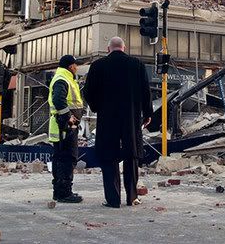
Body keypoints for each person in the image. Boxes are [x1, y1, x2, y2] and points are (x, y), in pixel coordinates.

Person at [84, 37, 153, 208]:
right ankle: (132, 197)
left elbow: (88, 92)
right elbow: (146, 91)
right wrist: (147, 113)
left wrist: (97, 107)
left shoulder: (98, 66)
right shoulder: (137, 65)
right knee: (131, 156)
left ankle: (113, 199)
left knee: (109, 157)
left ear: (108, 49)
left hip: (107, 119)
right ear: (124, 48)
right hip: (131, 118)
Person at [48, 54, 84, 203]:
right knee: (67, 158)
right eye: (76, 65)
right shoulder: (63, 79)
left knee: (61, 157)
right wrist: (68, 117)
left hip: (64, 125)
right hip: (65, 126)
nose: (77, 67)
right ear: (71, 66)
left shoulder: (64, 78)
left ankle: (60, 191)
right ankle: (64, 193)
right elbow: (58, 100)